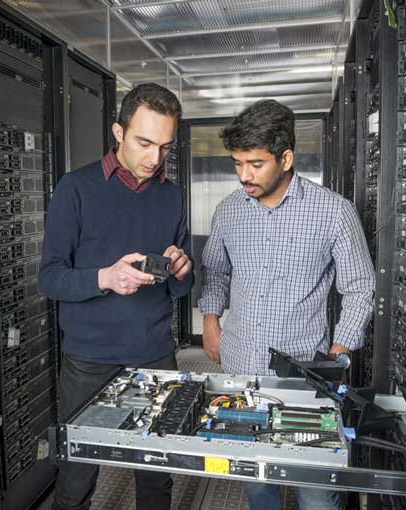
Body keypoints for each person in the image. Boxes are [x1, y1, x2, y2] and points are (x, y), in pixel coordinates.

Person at [198, 99, 375, 510]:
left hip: (304, 376)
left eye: (255, 164)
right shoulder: (228, 211)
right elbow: (217, 272)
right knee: (257, 480)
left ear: (286, 157)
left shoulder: (334, 212)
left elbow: (361, 287)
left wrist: (339, 352)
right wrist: (210, 321)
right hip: (241, 367)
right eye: (238, 163)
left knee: (315, 491)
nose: (244, 175)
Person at [39, 82, 194, 510]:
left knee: (156, 475)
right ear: (118, 132)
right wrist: (105, 277)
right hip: (88, 361)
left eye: (165, 146)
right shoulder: (75, 188)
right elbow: (49, 278)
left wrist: (183, 268)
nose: (154, 158)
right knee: (75, 478)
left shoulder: (172, 196)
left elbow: (181, 288)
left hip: (155, 355)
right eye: (145, 142)